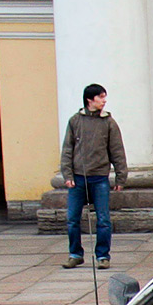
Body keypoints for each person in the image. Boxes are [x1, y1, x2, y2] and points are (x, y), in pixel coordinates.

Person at [59, 83, 127, 270]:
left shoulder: (109, 123)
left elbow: (117, 151)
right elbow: (67, 150)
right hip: (78, 178)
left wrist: (121, 177)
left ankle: (103, 256)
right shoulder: (75, 121)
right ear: (90, 99)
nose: (104, 100)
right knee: (72, 218)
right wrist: (67, 174)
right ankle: (75, 254)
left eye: (105, 97)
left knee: (103, 219)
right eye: (101, 97)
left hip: (99, 178)